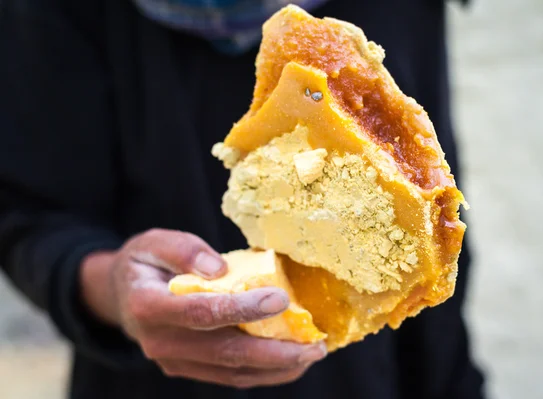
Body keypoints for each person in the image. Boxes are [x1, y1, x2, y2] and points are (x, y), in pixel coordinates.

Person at [0, 0, 485, 398]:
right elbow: (28, 213)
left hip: (375, 373)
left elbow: (433, 221)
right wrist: (114, 289)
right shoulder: (48, 15)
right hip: (152, 380)